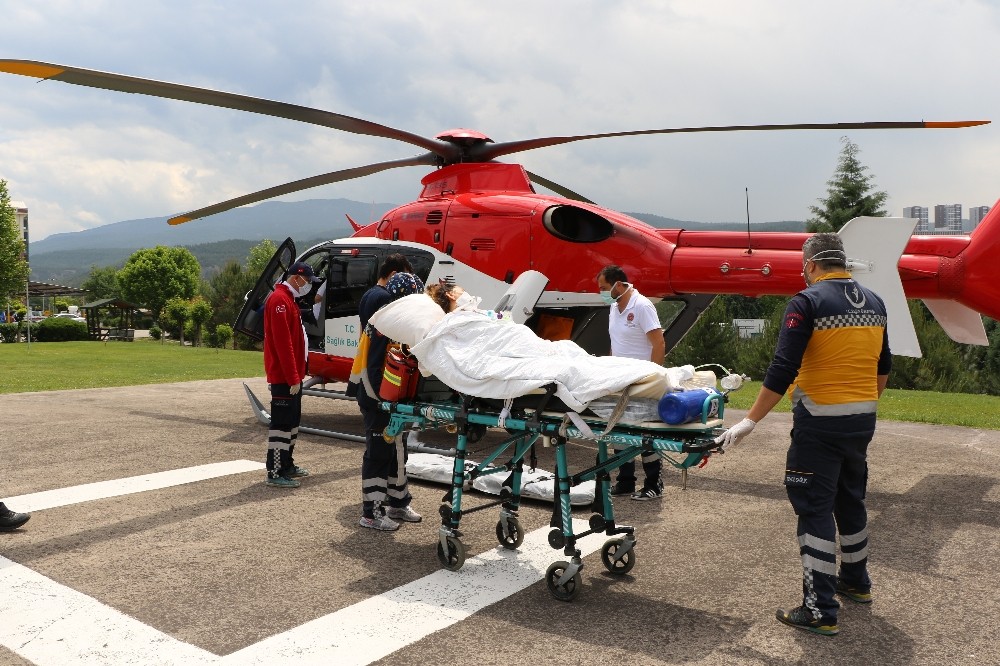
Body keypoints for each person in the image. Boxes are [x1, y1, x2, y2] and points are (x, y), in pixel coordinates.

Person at [715, 233, 890, 637]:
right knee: (851, 499)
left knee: (814, 508)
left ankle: (820, 609)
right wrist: (859, 405)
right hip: (860, 422)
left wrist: (750, 421)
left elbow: (782, 368)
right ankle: (856, 582)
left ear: (810, 265)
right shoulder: (876, 303)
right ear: (842, 262)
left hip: (818, 425)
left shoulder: (807, 302)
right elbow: (884, 366)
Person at [356, 256, 424, 531]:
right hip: (376, 398)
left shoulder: (390, 321)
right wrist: (381, 402)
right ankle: (371, 513)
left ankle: (398, 502)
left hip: (388, 399)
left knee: (397, 449)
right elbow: (373, 368)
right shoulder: (385, 324)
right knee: (378, 452)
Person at [596, 265, 666, 501]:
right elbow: (615, 342)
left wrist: (654, 375)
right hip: (620, 378)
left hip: (642, 379)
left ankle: (654, 484)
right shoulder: (614, 308)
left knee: (645, 433)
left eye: (604, 288)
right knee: (620, 430)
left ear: (618, 284)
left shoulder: (642, 306)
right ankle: (625, 481)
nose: (602, 292)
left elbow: (658, 344)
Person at [262, 261, 321, 488]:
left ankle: (286, 464)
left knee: (292, 423)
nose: (308, 286)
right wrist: (292, 377)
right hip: (285, 377)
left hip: (292, 376)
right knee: (281, 425)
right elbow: (282, 343)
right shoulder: (279, 300)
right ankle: (275, 471)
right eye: (307, 281)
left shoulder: (288, 300)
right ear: (297, 278)